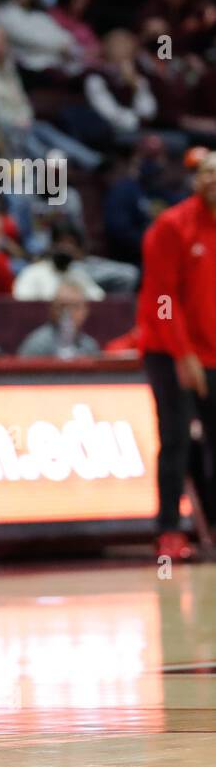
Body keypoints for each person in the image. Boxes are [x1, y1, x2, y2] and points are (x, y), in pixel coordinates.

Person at [136, 150, 216, 562]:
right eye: (207, 174)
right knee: (176, 439)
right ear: (197, 180)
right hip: (170, 351)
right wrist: (184, 355)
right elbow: (163, 300)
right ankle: (169, 530)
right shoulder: (172, 226)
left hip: (212, 351)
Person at [17, 281, 101, 359]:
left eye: (75, 306)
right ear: (52, 309)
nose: (68, 312)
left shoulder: (89, 346)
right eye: (63, 306)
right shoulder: (37, 345)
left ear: (85, 310)